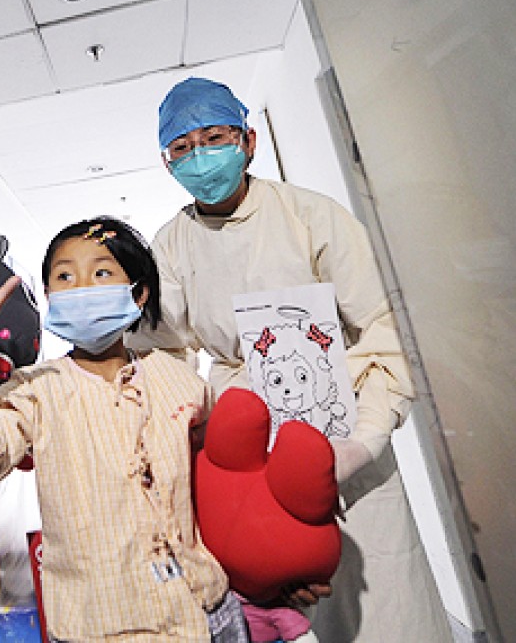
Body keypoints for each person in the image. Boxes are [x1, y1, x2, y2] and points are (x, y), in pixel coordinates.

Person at [132, 76, 452, 642]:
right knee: (288, 598)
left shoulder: (310, 215)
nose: (199, 157)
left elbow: (383, 326)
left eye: (214, 138)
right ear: (167, 163)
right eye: (182, 148)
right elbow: (162, 358)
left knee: (387, 607)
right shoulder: (170, 247)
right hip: (249, 449)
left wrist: (364, 440)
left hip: (344, 429)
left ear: (248, 142)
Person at [0, 218, 251, 642]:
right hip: (98, 628)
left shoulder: (180, 381)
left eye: (101, 272)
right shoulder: (36, 390)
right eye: (64, 276)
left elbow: (219, 489)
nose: (82, 286)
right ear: (48, 297)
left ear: (138, 294)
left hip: (208, 615)